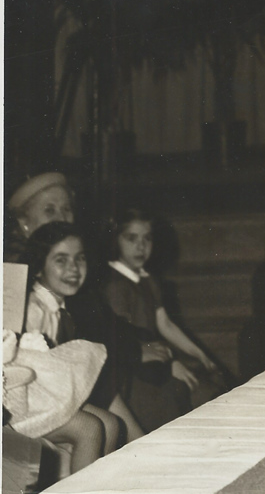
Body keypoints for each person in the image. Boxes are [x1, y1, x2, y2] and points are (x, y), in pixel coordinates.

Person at [23, 222, 143, 459]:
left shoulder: (63, 309)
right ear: (38, 268)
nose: (74, 268)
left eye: (80, 258)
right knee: (91, 428)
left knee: (111, 424)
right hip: (26, 402)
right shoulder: (33, 310)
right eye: (61, 260)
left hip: (50, 395)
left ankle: (95, 476)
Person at [102, 208, 221, 431]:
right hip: (134, 369)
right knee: (189, 395)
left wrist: (200, 354)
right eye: (132, 238)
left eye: (147, 238)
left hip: (155, 359)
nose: (141, 247)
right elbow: (124, 337)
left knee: (210, 384)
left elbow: (164, 323)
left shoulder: (147, 280)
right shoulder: (116, 284)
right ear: (115, 240)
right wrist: (168, 365)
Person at [6, 172, 74, 261]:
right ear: (24, 223)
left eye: (66, 209)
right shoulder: (14, 264)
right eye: (50, 210)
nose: (62, 218)